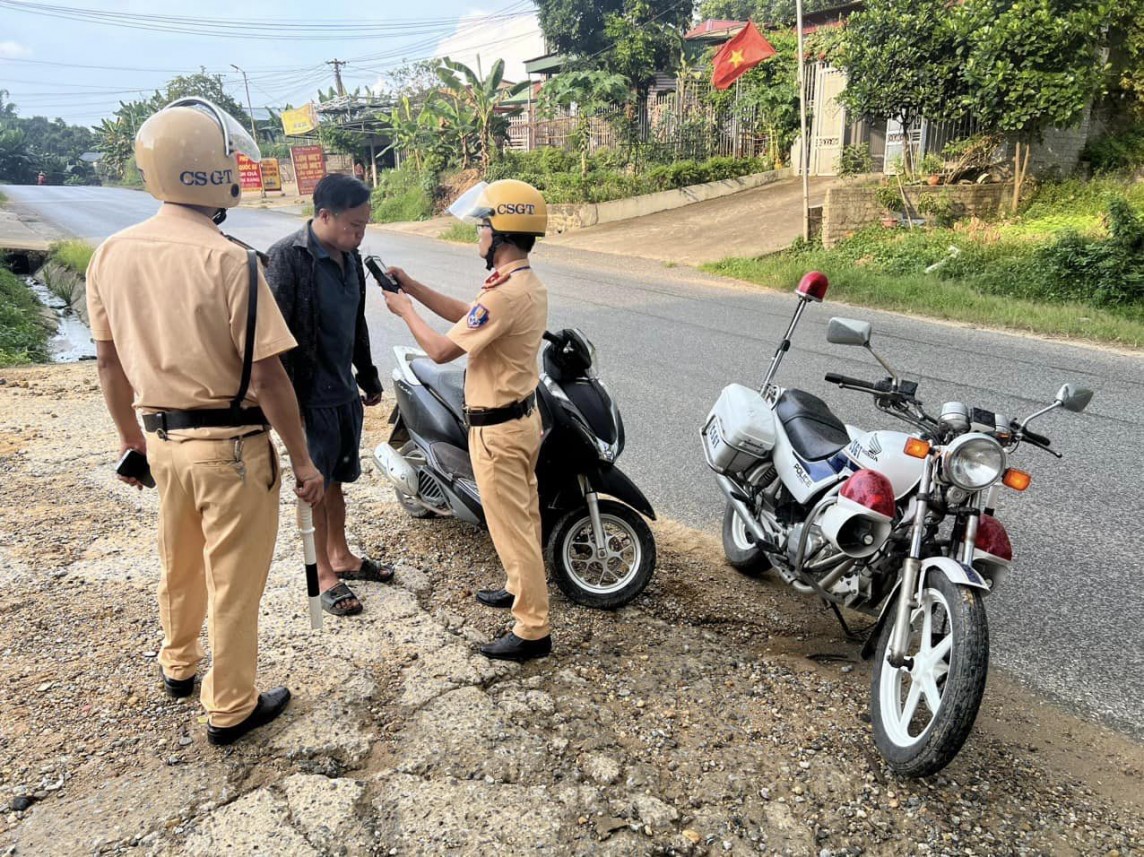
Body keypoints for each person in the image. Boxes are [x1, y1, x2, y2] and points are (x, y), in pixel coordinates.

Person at [85, 97, 325, 746]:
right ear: (218, 172)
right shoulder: (232, 261)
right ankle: (231, 705)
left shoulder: (110, 253)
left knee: (180, 563)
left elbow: (109, 364)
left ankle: (179, 664)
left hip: (161, 441)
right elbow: (269, 378)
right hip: (233, 448)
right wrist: (303, 461)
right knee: (234, 582)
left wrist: (131, 441)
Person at [382, 179, 552, 662]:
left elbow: (440, 350)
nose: (478, 234)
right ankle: (519, 587)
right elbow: (469, 316)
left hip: (498, 431)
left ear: (501, 234)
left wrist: (405, 310)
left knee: (511, 527)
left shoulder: (505, 294)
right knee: (523, 519)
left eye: (483, 226)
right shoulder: (520, 285)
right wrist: (414, 286)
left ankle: (533, 630)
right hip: (519, 422)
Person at [266, 173, 390, 618]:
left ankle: (340, 555)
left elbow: (356, 322)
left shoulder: (350, 258)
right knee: (315, 486)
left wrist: (368, 375)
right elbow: (273, 341)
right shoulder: (287, 257)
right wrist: (288, 406)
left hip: (342, 392)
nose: (360, 234)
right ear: (324, 215)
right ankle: (319, 574)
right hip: (308, 396)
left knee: (337, 480)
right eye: (354, 225)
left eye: (364, 225)